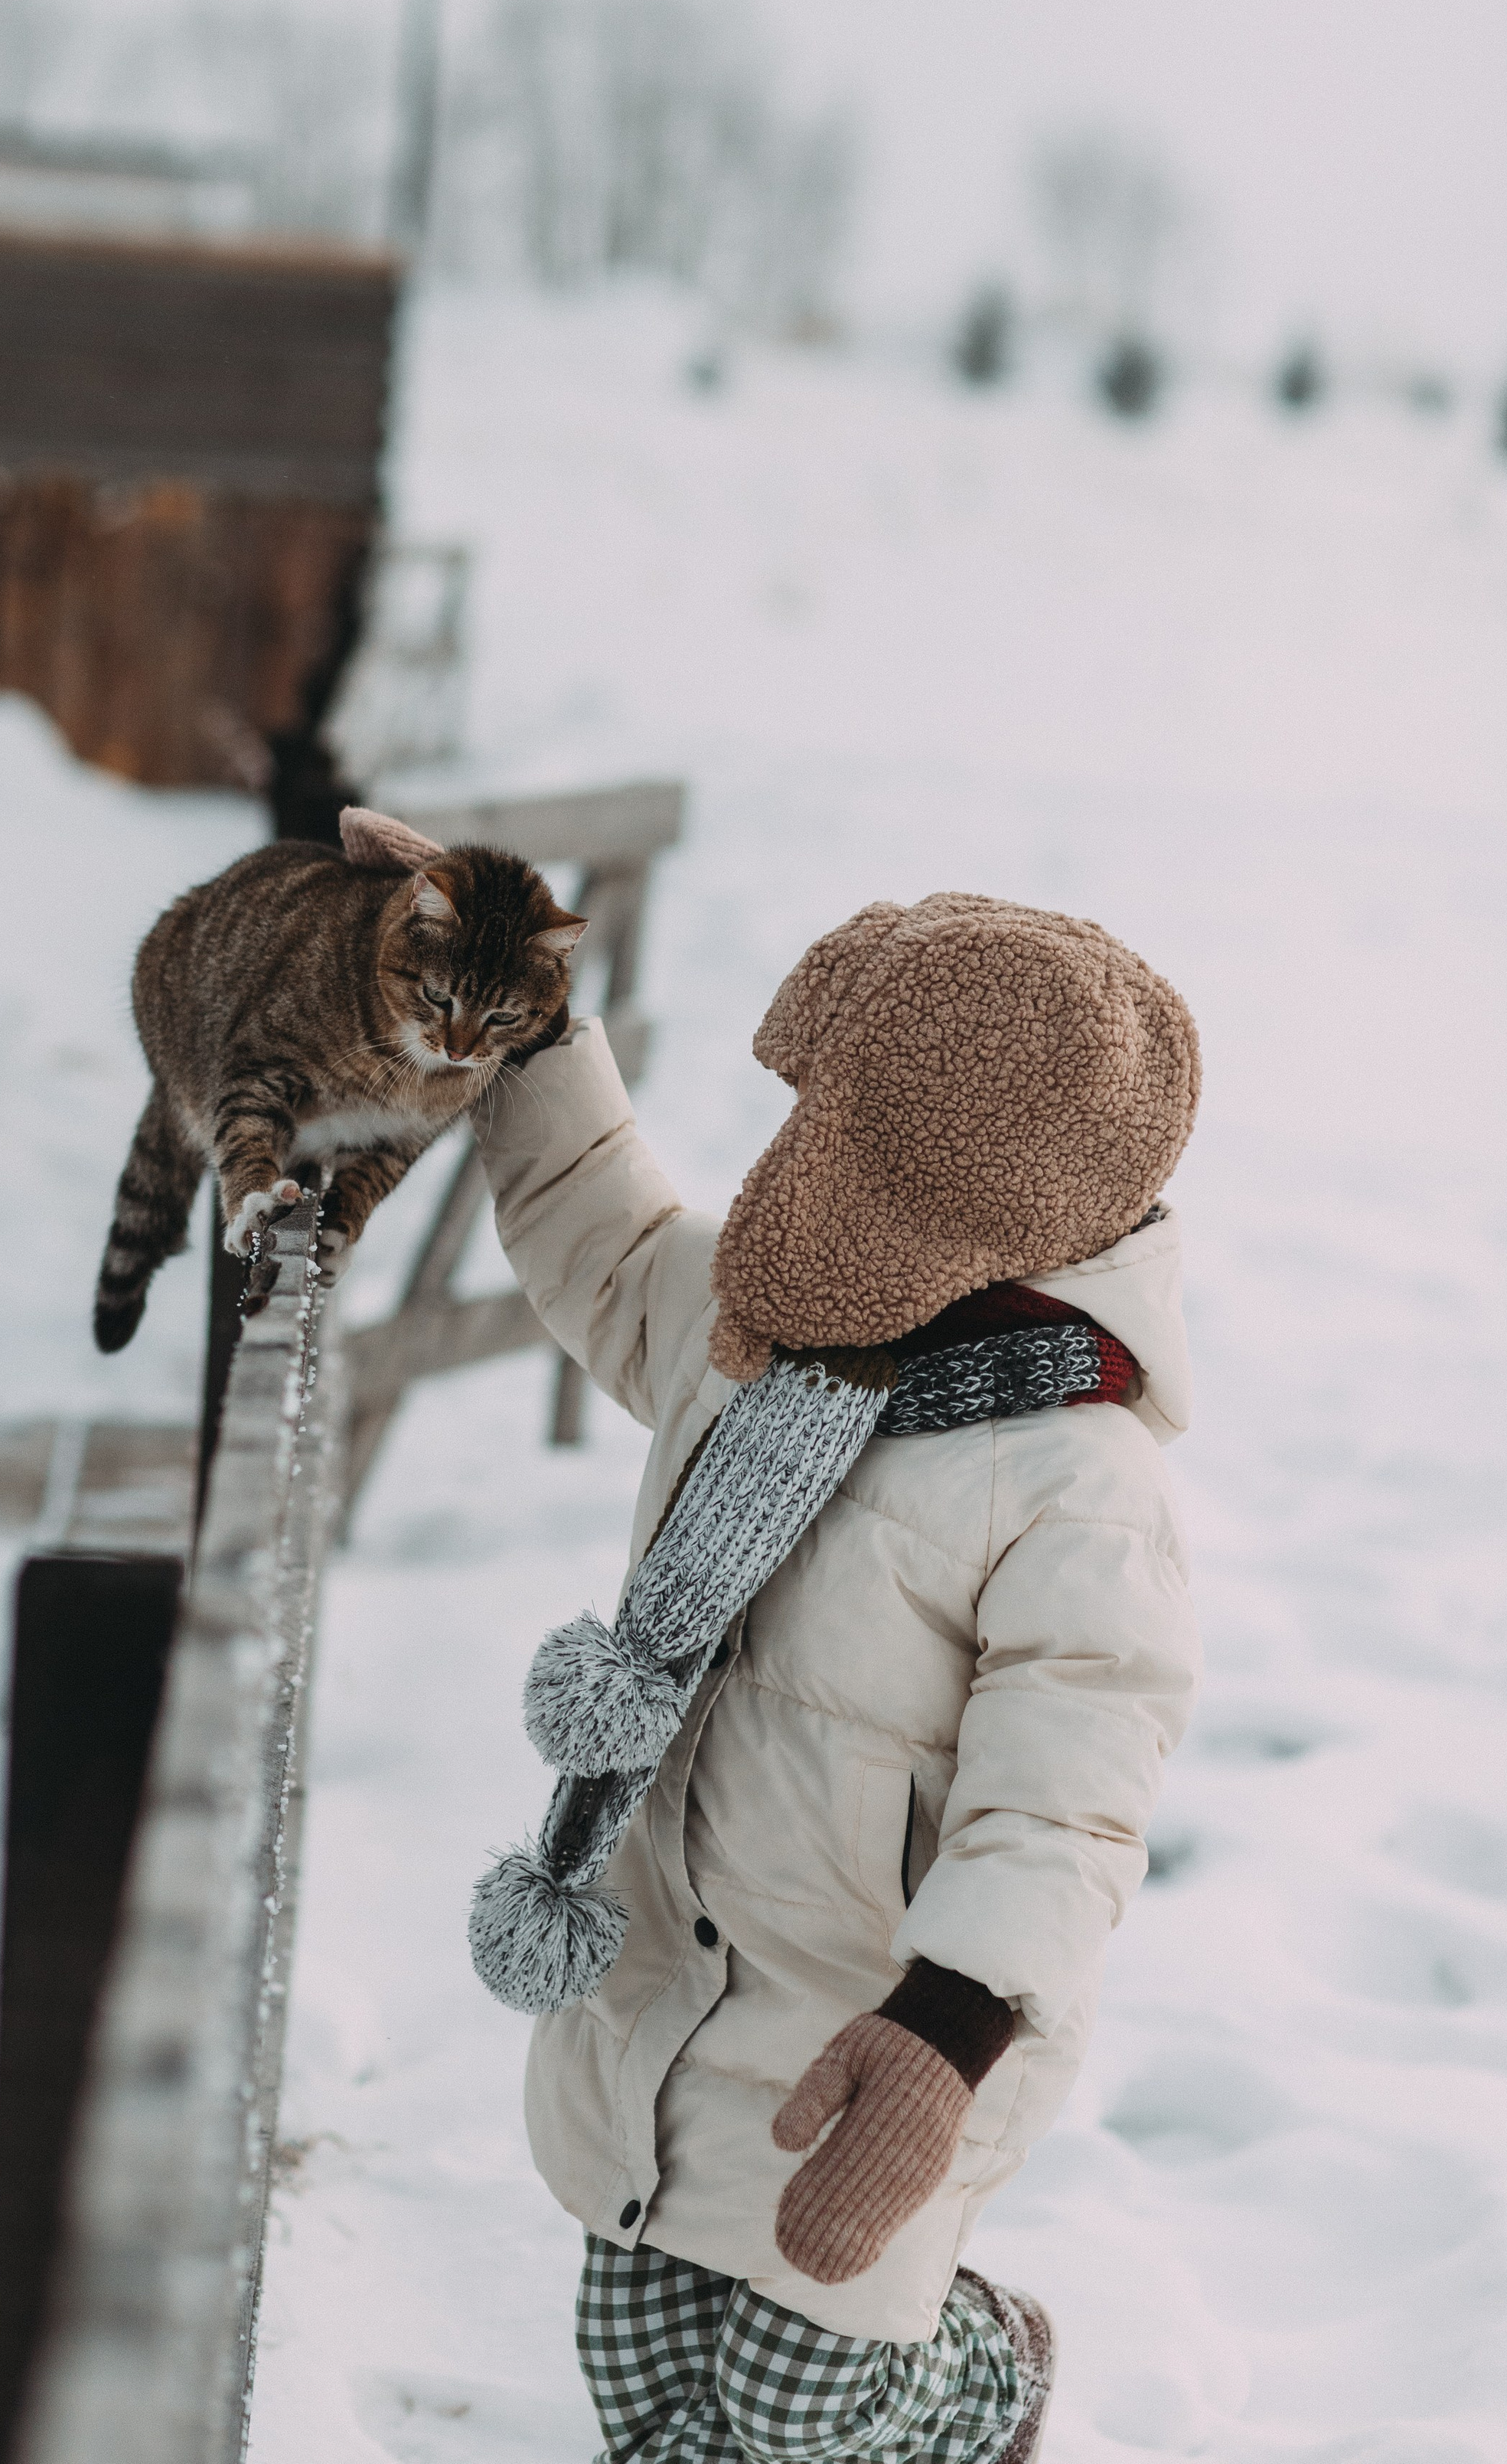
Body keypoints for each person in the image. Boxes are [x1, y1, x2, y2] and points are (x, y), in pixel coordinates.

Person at [468, 890, 1202, 2464]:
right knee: (637, 2360)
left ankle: (985, 2379)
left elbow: (1061, 1815)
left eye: (850, 1157)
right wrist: (521, 1028)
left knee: (803, 2407)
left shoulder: (1074, 1485)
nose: (790, 1189)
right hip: (663, 1998)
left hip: (877, 2043)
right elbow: (595, 1231)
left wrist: (945, 2032)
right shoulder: (754, 1335)